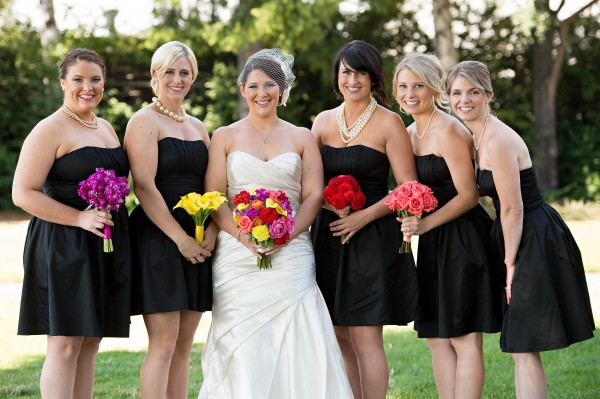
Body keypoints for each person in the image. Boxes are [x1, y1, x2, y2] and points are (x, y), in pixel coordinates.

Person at [199, 48, 353, 398]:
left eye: (271, 84)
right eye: (253, 85)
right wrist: (242, 236)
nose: (262, 92)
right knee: (243, 340)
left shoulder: (301, 137)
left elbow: (313, 195)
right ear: (242, 89)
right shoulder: (224, 136)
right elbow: (215, 196)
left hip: (292, 251)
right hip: (238, 255)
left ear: (283, 90)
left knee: (299, 335)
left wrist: (287, 234)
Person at [446, 60, 595, 399]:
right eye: (456, 93)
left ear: (488, 95)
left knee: (524, 345)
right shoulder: (477, 135)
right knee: (520, 345)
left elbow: (512, 208)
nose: (464, 100)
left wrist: (510, 266)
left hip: (532, 235)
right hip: (517, 234)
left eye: (473, 92)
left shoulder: (497, 140)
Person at [12, 48, 131, 399]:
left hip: (103, 243)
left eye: (95, 79)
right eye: (78, 79)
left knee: (91, 341)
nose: (87, 87)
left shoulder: (106, 127)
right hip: (63, 243)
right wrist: (79, 217)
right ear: (63, 82)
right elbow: (23, 193)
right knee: (65, 343)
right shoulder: (48, 129)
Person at [311, 40, 420, 399]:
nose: (352, 80)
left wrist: (363, 218)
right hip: (328, 236)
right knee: (339, 332)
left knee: (365, 333)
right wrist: (329, 207)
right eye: (346, 72)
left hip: (373, 238)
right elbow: (307, 184)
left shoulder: (391, 123)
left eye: (360, 73)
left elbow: (407, 188)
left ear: (373, 77)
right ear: (336, 76)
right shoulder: (323, 122)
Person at [393, 53, 503, 399]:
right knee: (437, 337)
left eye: (419, 85)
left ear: (434, 88)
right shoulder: (407, 133)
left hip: (463, 238)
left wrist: (424, 226)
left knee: (463, 335)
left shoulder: (450, 130)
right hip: (433, 243)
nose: (410, 93)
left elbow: (469, 195)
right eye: (403, 86)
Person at [124, 41, 213, 399]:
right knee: (163, 344)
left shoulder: (199, 127)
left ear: (192, 78)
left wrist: (213, 233)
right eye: (170, 72)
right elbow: (143, 187)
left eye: (184, 73)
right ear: (155, 75)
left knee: (184, 344)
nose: (177, 79)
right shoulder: (143, 121)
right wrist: (180, 239)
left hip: (198, 239)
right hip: (160, 240)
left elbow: (213, 187)